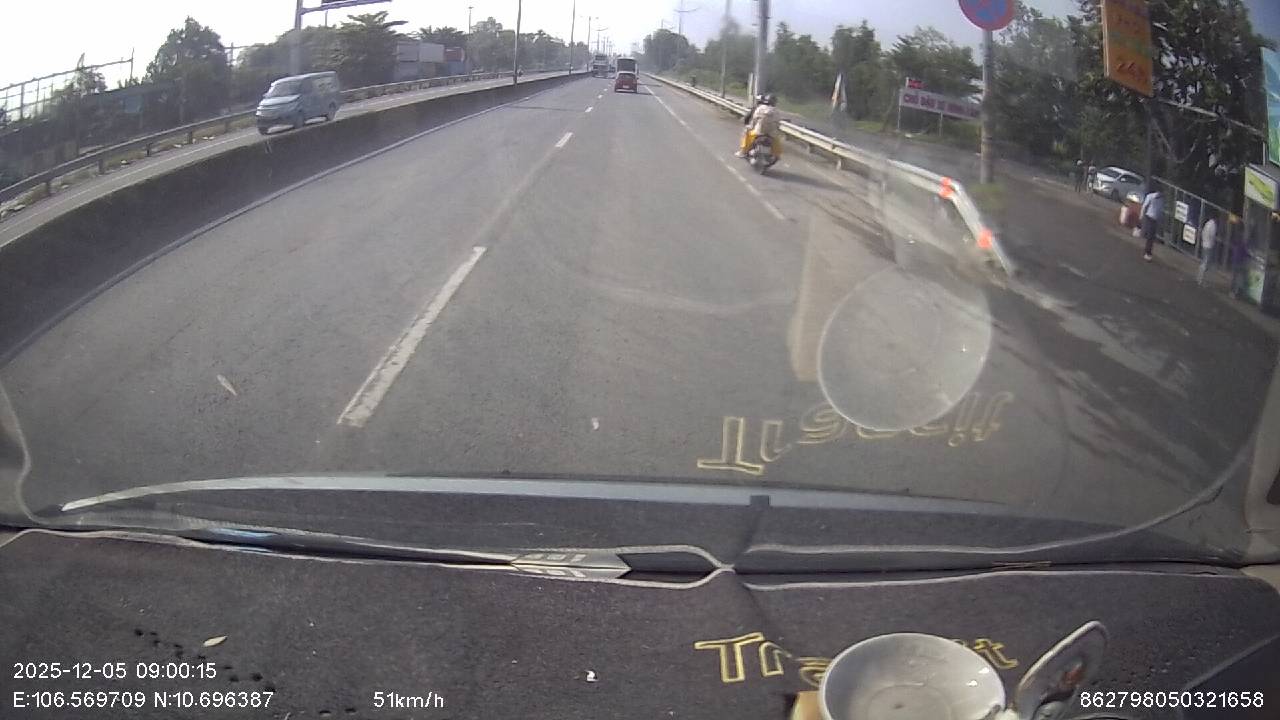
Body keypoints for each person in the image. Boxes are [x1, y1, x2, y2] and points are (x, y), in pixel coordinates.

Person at [736, 93, 783, 159]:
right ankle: (777, 155)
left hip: (759, 131)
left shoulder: (760, 108)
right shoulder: (777, 111)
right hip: (772, 133)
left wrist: (751, 126)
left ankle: (743, 152)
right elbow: (778, 123)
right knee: (776, 140)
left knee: (747, 134)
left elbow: (754, 118)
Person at [1140, 188, 1164, 261]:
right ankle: (1148, 252)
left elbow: (1160, 210)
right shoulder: (1150, 196)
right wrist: (1141, 215)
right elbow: (1144, 206)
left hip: (1155, 219)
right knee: (1150, 236)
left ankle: (1147, 251)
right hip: (1149, 217)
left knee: (1151, 236)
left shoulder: (1161, 200)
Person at [1197, 213, 1218, 286]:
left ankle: (1200, 278)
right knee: (1205, 263)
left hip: (1204, 244)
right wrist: (1212, 243)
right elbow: (1212, 236)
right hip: (1209, 246)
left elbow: (1203, 233)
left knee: (1204, 262)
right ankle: (1201, 280)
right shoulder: (1213, 225)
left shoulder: (1207, 223)